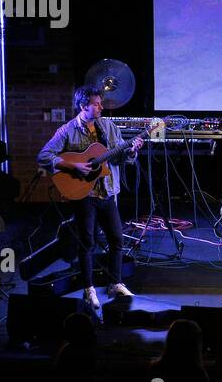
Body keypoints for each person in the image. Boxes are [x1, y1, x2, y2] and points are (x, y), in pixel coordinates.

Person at [38, 86, 144, 315]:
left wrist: (133, 151)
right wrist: (72, 165)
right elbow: (44, 155)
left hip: (108, 193)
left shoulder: (108, 127)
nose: (101, 107)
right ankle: (89, 288)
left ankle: (115, 283)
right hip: (84, 196)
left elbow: (123, 156)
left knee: (116, 239)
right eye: (96, 104)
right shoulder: (67, 130)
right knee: (88, 243)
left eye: (100, 103)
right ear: (82, 105)